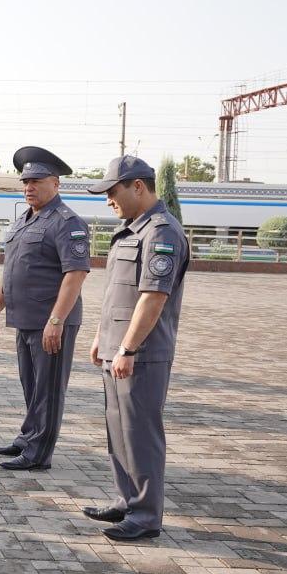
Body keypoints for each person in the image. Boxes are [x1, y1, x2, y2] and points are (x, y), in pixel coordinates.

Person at [84, 156, 189, 541]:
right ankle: (127, 499)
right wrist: (101, 336)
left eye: (113, 192)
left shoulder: (161, 232)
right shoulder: (130, 230)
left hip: (141, 352)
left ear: (138, 187)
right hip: (118, 348)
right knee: (118, 430)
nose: (109, 200)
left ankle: (146, 516)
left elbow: (152, 298)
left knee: (140, 431)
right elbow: (118, 296)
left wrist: (128, 348)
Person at [0, 146, 90, 472]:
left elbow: (76, 274)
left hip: (51, 322)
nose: (28, 186)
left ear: (55, 183)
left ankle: (38, 453)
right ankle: (29, 436)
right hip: (25, 320)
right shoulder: (23, 221)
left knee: (49, 388)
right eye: (25, 181)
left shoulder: (67, 223)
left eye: (36, 180)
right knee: (31, 384)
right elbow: (10, 270)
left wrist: (57, 320)